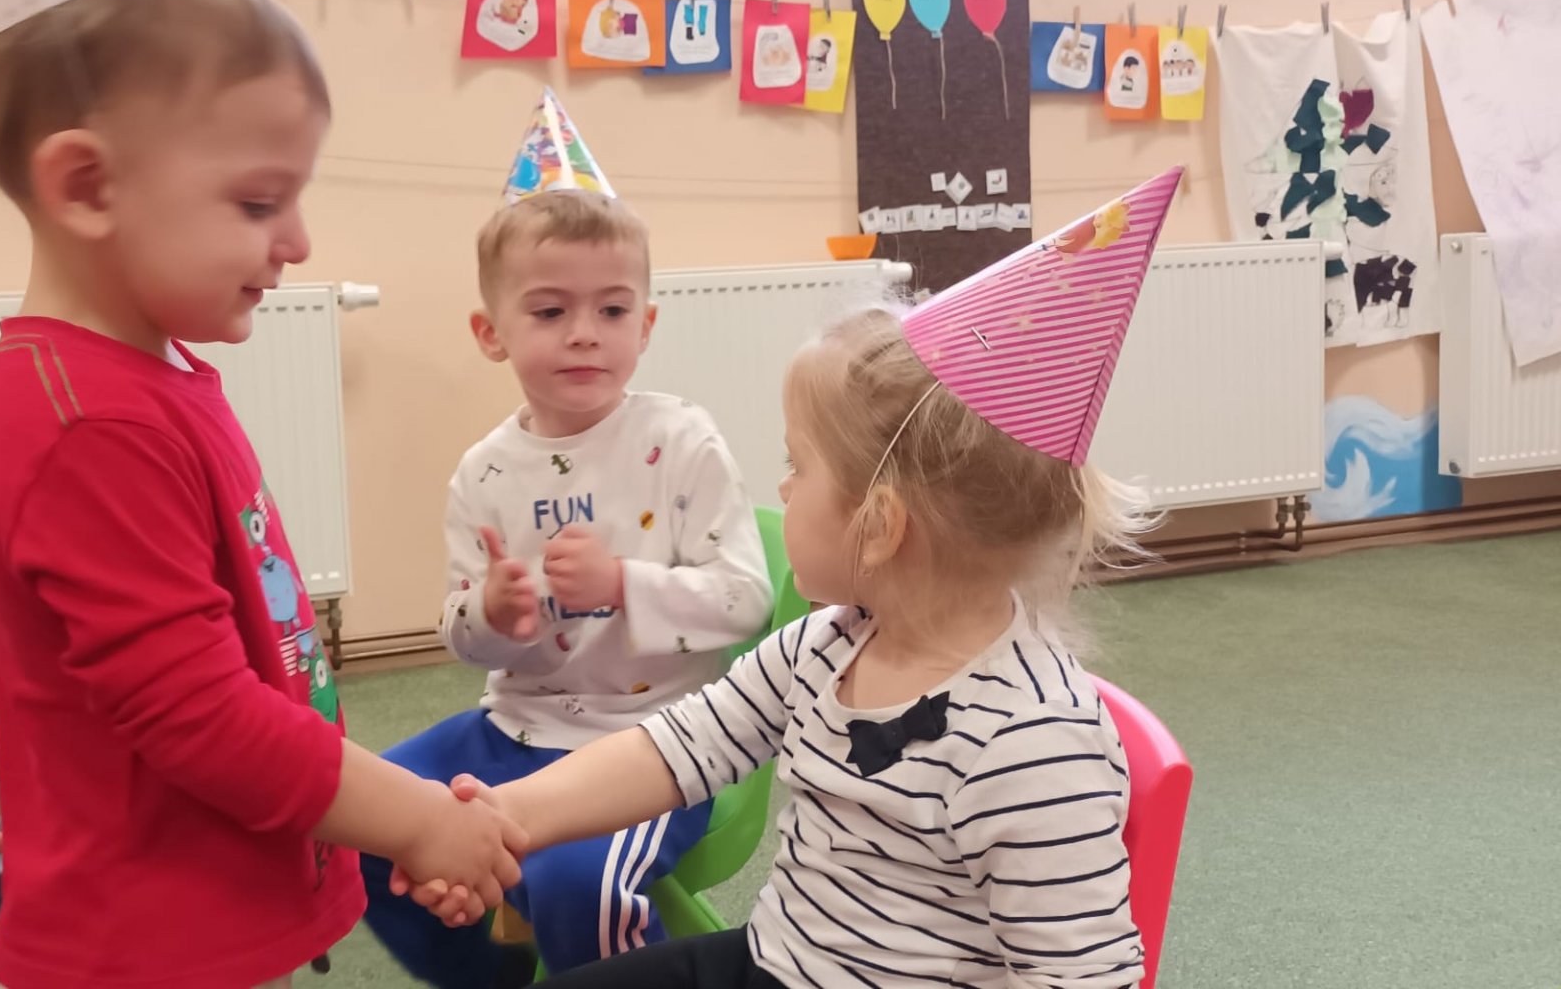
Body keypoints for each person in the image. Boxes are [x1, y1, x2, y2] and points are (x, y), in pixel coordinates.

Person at [407, 171, 1188, 989]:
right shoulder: (829, 641)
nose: (781, 490)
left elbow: (1082, 977)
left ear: (881, 526)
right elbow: (677, 749)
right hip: (778, 960)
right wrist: (509, 815)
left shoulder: (1032, 741)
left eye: (798, 466)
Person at [0, 0, 523, 987]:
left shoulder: (139, 380)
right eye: (261, 200)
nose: (298, 240)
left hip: (189, 916)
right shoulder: (88, 424)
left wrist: (386, 819)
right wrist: (413, 819)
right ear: (85, 186)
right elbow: (201, 714)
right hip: (140, 947)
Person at [360, 91, 772, 987]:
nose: (585, 334)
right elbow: (459, 633)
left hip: (656, 746)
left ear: (646, 325)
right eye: (549, 312)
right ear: (491, 333)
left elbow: (747, 600)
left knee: (573, 883)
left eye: (613, 311)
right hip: (513, 727)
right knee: (366, 823)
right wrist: (492, 615)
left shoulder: (681, 441)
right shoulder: (485, 472)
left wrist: (624, 585)